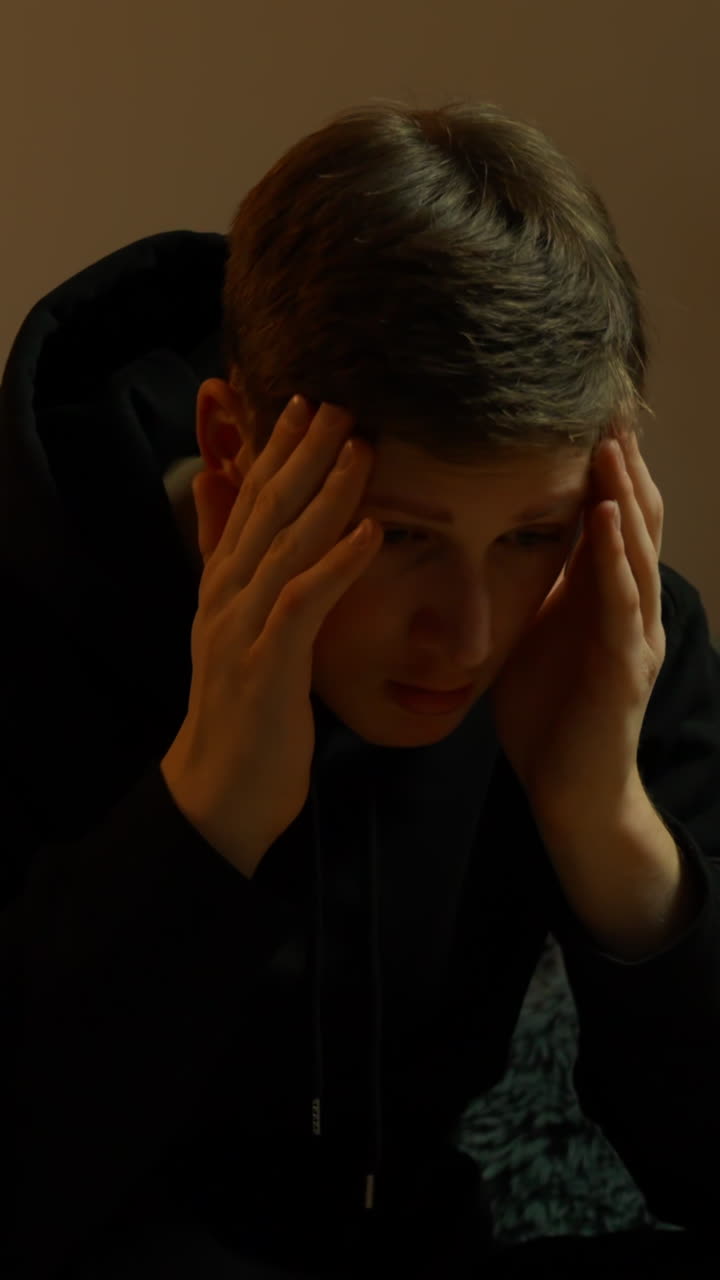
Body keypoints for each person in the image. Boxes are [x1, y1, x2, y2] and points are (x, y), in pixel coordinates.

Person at [2, 98, 718, 1280]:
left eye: (531, 533)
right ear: (233, 450)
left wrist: (609, 823)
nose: (468, 635)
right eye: (400, 536)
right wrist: (205, 812)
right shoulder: (28, 614)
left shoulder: (592, 632)